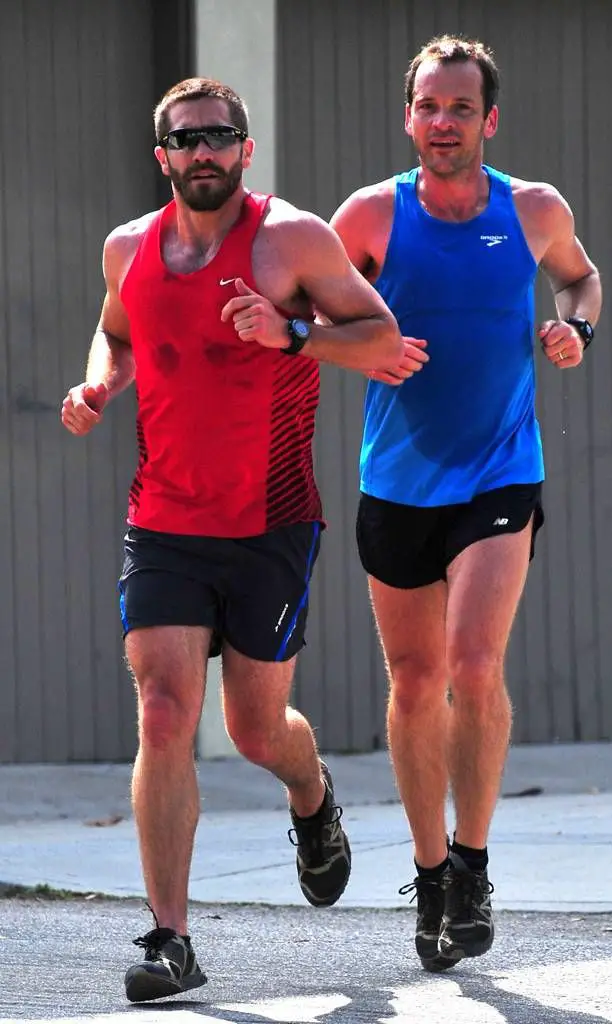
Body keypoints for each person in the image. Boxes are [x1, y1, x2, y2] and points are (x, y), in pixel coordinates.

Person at [61, 76, 406, 1003]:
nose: (202, 151)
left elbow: (380, 337)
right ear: (162, 155)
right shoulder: (126, 246)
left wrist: (289, 331)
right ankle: (171, 938)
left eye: (220, 136)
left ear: (245, 150)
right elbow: (117, 336)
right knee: (166, 713)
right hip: (163, 517)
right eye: (185, 140)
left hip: (271, 519)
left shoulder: (293, 237)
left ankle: (313, 794)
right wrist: (101, 383)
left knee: (255, 730)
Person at [330, 36, 601, 972]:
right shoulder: (368, 217)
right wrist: (356, 348)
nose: (442, 124)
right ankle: (432, 866)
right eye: (427, 107)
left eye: (460, 108)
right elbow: (306, 319)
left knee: (474, 666)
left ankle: (476, 863)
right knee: (414, 684)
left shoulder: (534, 210)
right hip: (396, 483)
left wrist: (576, 328)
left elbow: (581, 273)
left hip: (500, 472)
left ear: (490, 119)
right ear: (408, 116)